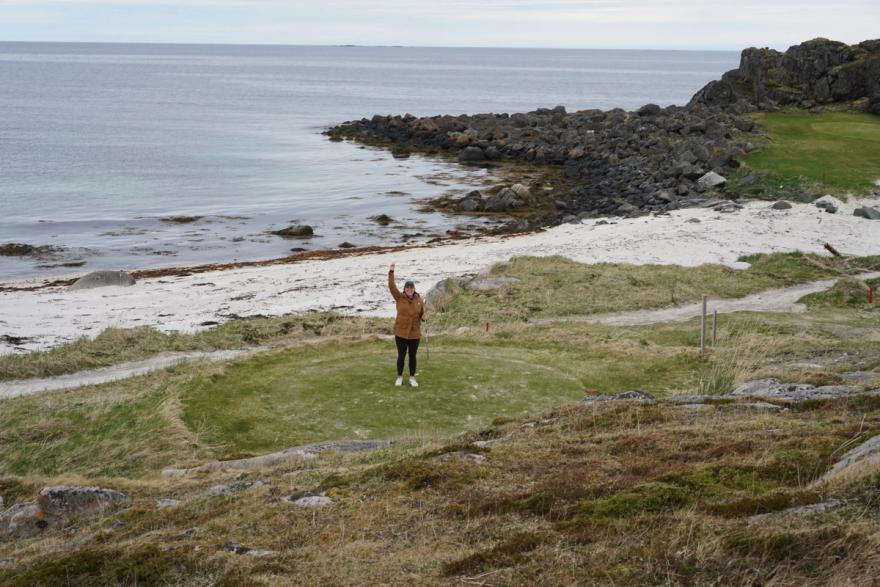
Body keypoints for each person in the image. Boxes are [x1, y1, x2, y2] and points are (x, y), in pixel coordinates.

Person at [388, 262, 425, 387]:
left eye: (411, 288)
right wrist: (391, 271)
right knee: (401, 356)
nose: (409, 289)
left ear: (414, 289)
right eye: (407, 288)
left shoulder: (419, 300)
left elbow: (422, 314)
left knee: (412, 357)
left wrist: (424, 317)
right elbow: (392, 287)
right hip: (401, 333)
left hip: (415, 334)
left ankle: (412, 378)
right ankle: (399, 377)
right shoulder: (399, 298)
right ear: (404, 289)